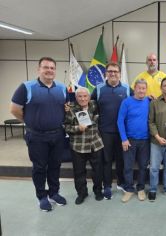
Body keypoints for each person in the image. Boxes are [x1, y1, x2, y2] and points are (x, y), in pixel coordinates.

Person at [10, 57, 67, 212]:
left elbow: (65, 108)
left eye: (52, 68)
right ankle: (42, 196)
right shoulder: (26, 87)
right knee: (40, 167)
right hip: (36, 136)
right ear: (39, 69)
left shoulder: (61, 88)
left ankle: (54, 193)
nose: (49, 70)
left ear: (55, 70)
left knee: (55, 166)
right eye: (45, 67)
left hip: (57, 135)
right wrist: (30, 121)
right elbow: (14, 109)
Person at [91, 62, 130, 200]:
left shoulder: (126, 88)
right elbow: (89, 106)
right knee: (106, 160)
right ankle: (107, 185)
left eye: (115, 71)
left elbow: (136, 101)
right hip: (105, 131)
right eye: (110, 71)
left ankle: (121, 182)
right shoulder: (99, 89)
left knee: (121, 160)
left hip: (122, 132)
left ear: (120, 73)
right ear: (106, 73)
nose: (113, 74)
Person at [64, 87, 104, 204]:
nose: (82, 98)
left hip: (95, 144)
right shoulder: (70, 109)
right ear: (76, 98)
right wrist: (77, 128)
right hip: (78, 146)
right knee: (79, 172)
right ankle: (82, 193)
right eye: (80, 96)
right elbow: (66, 127)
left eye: (85, 96)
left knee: (97, 171)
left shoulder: (95, 105)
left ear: (89, 97)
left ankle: (98, 191)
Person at [118, 79, 150, 203]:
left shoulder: (149, 101)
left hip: (145, 140)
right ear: (134, 89)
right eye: (139, 88)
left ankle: (141, 188)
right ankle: (129, 189)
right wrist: (124, 139)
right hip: (129, 140)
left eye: (143, 88)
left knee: (143, 166)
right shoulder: (126, 102)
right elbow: (120, 121)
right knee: (128, 167)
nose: (141, 90)